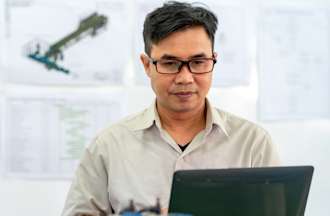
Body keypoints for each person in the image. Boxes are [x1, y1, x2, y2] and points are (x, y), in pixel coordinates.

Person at [61, 1, 280, 215]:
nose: (185, 78)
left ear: (213, 60)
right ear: (147, 65)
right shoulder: (109, 145)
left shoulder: (252, 143)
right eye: (170, 63)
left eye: (198, 62)